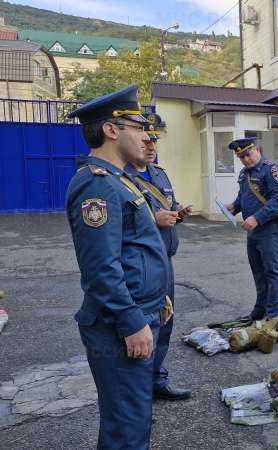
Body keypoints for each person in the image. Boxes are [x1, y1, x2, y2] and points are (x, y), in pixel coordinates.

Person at [65, 84, 172, 449]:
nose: (145, 137)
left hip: (140, 310)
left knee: (134, 417)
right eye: (138, 128)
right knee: (127, 427)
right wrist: (131, 320)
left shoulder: (120, 180)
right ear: (112, 130)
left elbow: (134, 251)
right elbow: (100, 269)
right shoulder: (98, 186)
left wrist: (158, 300)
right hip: (118, 324)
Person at [125, 113, 192, 401]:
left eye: (155, 140)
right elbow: (128, 222)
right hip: (142, 265)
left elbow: (167, 205)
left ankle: (156, 379)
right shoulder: (125, 176)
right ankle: (138, 393)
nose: (151, 145)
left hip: (165, 260)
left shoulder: (159, 173)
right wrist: (156, 218)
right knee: (143, 326)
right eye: (147, 138)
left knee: (165, 322)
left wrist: (178, 211)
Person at [224, 137, 278, 320]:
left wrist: (257, 218)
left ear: (257, 149)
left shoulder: (273, 170)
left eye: (247, 154)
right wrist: (234, 207)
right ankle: (260, 308)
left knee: (273, 271)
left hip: (270, 229)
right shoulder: (245, 174)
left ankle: (272, 315)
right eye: (241, 157)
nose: (245, 159)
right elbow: (243, 197)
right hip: (252, 231)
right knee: (258, 271)